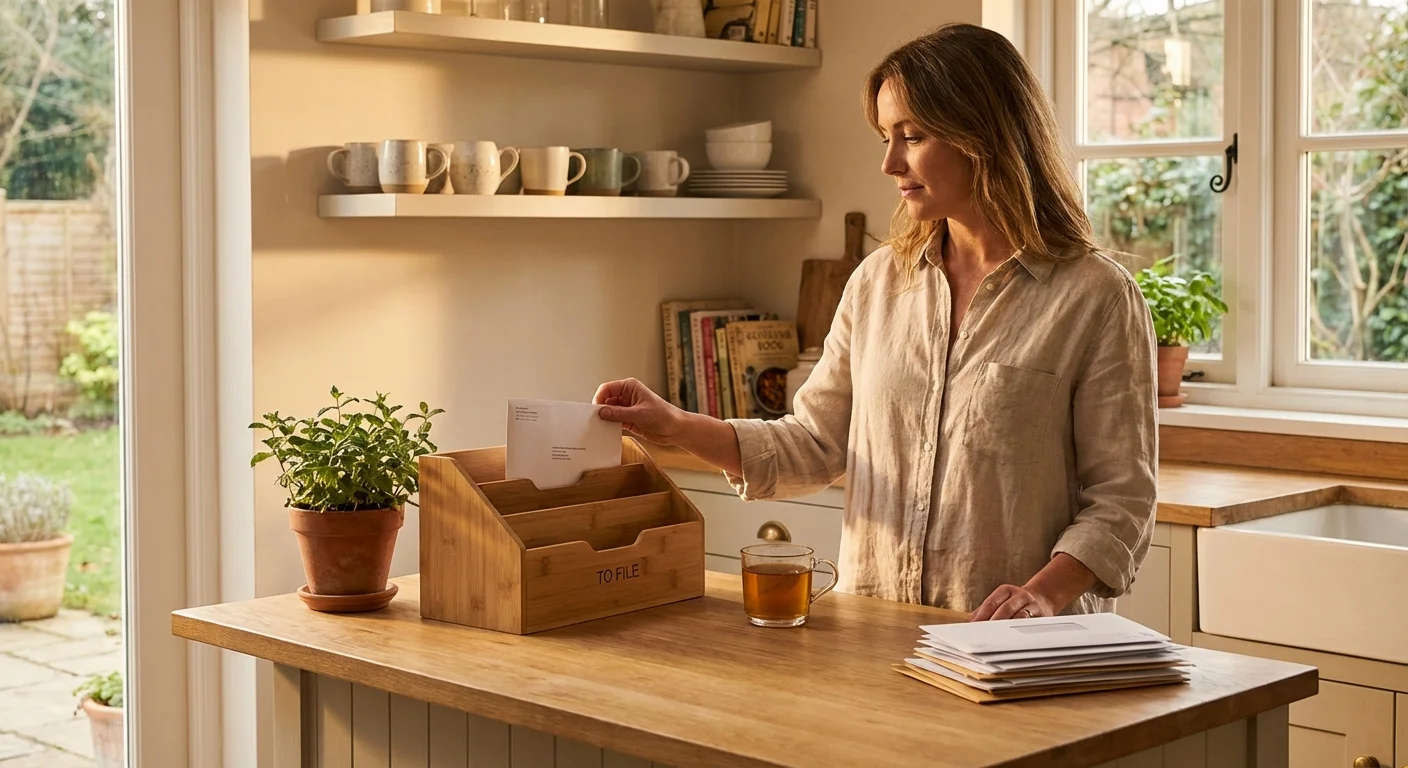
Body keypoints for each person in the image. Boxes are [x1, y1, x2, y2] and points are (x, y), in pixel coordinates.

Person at [593, 23, 1158, 621]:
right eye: (887, 137)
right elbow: (812, 444)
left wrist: (1042, 592)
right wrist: (673, 424)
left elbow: (1121, 500)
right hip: (875, 638)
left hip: (1017, 653)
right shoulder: (877, 283)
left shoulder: (1096, 297)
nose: (890, 162)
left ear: (983, 136)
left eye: (911, 136)